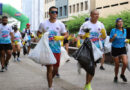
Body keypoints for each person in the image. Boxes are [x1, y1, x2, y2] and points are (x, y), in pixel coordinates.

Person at [37, 6, 68, 90]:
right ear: (49, 13)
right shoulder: (43, 24)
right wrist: (41, 35)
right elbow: (38, 33)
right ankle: (50, 87)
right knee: (49, 68)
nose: (55, 14)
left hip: (57, 49)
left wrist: (61, 37)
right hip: (47, 49)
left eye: (56, 12)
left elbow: (66, 34)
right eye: (53, 12)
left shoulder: (60, 24)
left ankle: (50, 78)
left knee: (55, 69)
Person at [78, 9, 107, 90]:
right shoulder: (85, 24)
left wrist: (103, 35)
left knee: (92, 66)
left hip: (96, 49)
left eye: (98, 14)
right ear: (91, 15)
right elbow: (79, 35)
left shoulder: (100, 25)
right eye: (95, 14)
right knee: (90, 66)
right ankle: (87, 84)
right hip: (87, 48)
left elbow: (104, 37)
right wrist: (83, 37)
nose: (97, 16)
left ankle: (88, 84)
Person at [110, 18, 128, 83]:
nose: (120, 23)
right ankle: (116, 76)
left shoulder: (125, 30)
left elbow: (125, 38)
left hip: (123, 48)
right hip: (115, 48)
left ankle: (122, 74)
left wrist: (126, 41)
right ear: (116, 23)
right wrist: (114, 37)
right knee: (117, 64)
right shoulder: (113, 30)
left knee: (125, 63)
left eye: (121, 22)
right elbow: (110, 41)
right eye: (119, 22)